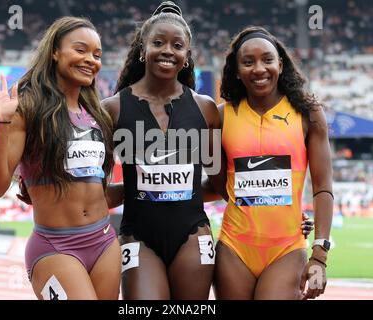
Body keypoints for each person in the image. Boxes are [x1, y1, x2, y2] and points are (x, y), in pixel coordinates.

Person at [0, 17, 121, 300]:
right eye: (80, 50)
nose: (91, 60)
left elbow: (95, 192)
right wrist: (0, 125)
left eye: (97, 54)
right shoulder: (26, 109)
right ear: (55, 51)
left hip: (104, 242)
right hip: (55, 247)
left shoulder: (98, 115)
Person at [101, 1, 220, 300]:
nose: (168, 50)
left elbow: (219, 184)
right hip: (137, 237)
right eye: (158, 42)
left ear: (187, 57)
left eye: (177, 45)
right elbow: (96, 188)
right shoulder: (112, 109)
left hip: (193, 235)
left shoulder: (206, 109)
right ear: (142, 50)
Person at [212, 26, 333, 300]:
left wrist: (320, 254)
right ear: (236, 70)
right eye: (248, 61)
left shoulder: (308, 114)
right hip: (234, 247)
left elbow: (323, 187)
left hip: (286, 249)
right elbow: (221, 184)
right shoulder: (219, 117)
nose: (259, 69)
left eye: (267, 59)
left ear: (280, 62)